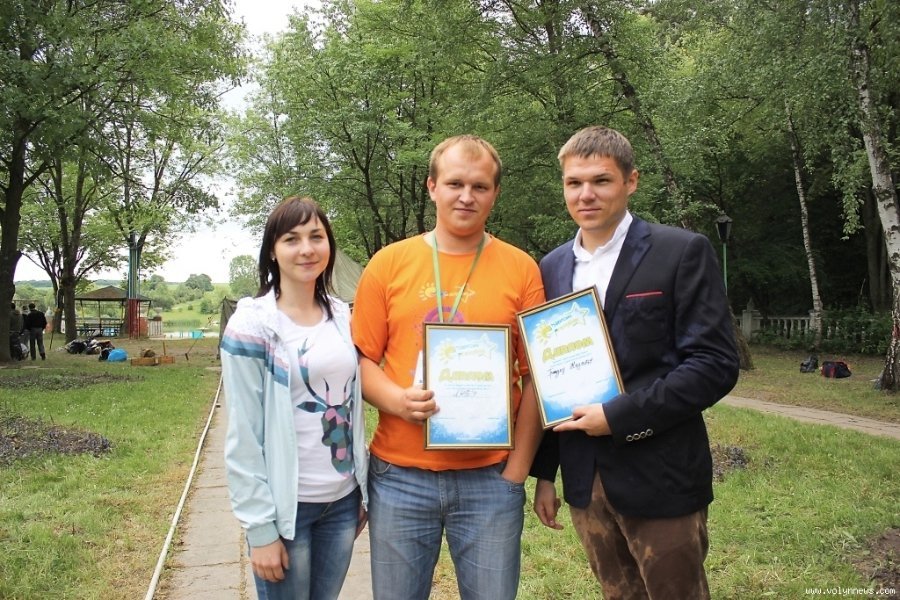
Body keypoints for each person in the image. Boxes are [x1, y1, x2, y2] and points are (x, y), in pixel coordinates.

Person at [530, 126, 740, 599]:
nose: (585, 194)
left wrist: (620, 416)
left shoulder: (680, 251)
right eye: (574, 182)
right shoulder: (551, 267)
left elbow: (714, 364)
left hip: (660, 472)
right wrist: (546, 472)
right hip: (584, 477)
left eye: (601, 180)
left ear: (631, 181)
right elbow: (551, 375)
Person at [351, 135, 546, 600]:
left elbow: (536, 376)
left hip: (490, 478)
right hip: (399, 476)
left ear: (495, 194)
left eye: (480, 186)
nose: (466, 196)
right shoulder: (388, 264)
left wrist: (517, 470)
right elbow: (362, 360)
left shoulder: (521, 269)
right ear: (432, 187)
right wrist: (397, 401)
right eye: (455, 183)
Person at [220, 196, 368, 600]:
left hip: (341, 503)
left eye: (316, 237)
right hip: (288, 512)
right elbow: (243, 434)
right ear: (273, 250)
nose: (307, 249)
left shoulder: (343, 317)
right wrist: (260, 529)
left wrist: (361, 492)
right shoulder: (252, 325)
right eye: (292, 239)